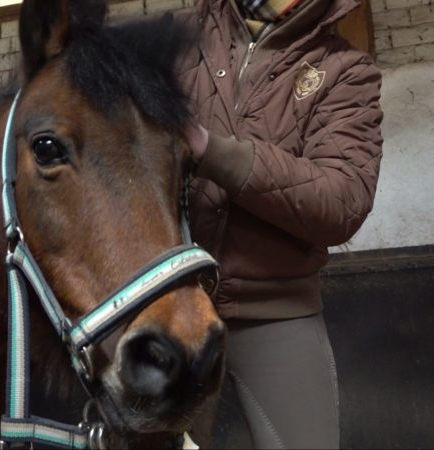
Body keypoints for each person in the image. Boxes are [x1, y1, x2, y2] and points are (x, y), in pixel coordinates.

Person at [177, 0, 383, 448]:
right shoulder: (178, 38)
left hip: (274, 306)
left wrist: (213, 153)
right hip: (170, 302)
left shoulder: (344, 70)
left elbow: (342, 199)